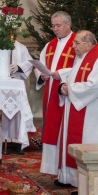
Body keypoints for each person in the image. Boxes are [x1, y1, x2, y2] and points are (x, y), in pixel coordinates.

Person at [57, 30, 98, 192]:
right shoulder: (83, 58)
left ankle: (92, 187)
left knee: (91, 146)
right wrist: (65, 87)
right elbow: (73, 77)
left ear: (88, 44)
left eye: (76, 42)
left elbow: (96, 86)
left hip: (95, 114)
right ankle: (76, 181)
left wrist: (69, 89)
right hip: (82, 108)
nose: (73, 45)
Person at [30, 11, 76, 180]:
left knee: (66, 133)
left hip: (68, 95)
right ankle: (58, 172)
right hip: (51, 94)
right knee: (53, 130)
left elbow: (82, 67)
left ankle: (69, 175)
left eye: (58, 26)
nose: (55, 29)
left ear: (68, 24)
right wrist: (41, 75)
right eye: (53, 26)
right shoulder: (49, 45)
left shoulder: (78, 42)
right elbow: (40, 65)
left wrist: (61, 74)